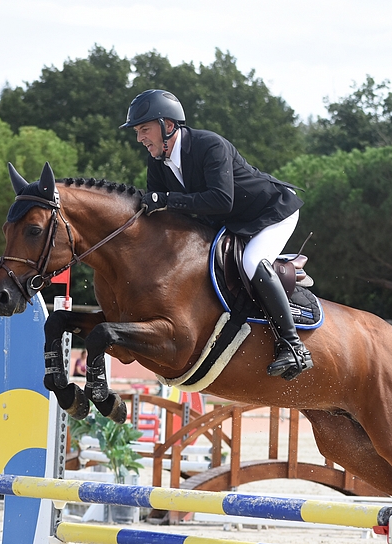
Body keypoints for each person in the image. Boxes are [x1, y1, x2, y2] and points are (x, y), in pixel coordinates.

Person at [120, 89, 313, 380]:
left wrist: (167, 200)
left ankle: (293, 346)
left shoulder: (209, 145)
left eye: (144, 129)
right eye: (137, 131)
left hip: (271, 212)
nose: (140, 139)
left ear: (168, 126)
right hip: (233, 222)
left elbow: (221, 200)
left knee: (251, 262)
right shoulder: (158, 161)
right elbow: (163, 209)